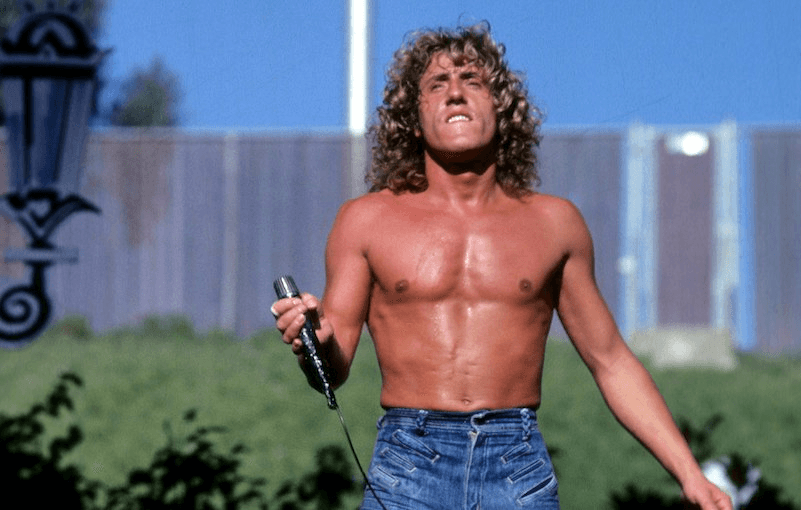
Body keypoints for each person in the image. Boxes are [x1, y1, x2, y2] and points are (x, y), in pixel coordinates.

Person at [271, 22, 732, 510]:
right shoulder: (365, 220)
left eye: (472, 81)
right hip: (408, 462)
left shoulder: (555, 223)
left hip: (516, 467)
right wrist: (312, 341)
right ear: (413, 114)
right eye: (436, 85)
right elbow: (331, 368)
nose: (455, 94)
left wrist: (691, 476)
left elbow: (610, 359)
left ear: (501, 106)